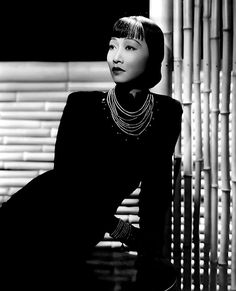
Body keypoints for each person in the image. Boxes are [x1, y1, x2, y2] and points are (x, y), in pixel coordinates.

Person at [0, 16, 182, 290]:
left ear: (153, 56)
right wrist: (123, 231)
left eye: (130, 48)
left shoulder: (166, 113)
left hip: (83, 232)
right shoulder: (82, 106)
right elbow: (66, 185)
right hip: (36, 217)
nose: (116, 57)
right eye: (112, 47)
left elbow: (156, 191)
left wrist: (150, 253)